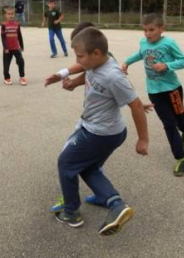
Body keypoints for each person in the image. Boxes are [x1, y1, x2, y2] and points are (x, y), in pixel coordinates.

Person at [48, 27, 149, 235]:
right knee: (88, 167)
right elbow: (87, 73)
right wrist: (70, 80)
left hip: (99, 133)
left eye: (80, 56)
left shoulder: (113, 76)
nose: (78, 61)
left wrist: (143, 140)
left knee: (66, 163)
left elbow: (136, 105)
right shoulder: (98, 62)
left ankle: (71, 212)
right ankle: (112, 201)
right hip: (107, 131)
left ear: (96, 53)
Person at [123, 13, 184, 177]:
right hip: (154, 91)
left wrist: (166, 65)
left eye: (152, 30)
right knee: (168, 123)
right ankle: (181, 158)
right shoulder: (143, 43)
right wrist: (127, 62)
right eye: (145, 30)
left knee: (180, 116)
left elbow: (183, 61)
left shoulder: (169, 43)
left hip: (172, 89)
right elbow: (141, 53)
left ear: (162, 29)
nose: (148, 34)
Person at [1, 7, 26, 86]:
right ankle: (7, 78)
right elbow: (3, 37)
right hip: (7, 49)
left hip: (16, 48)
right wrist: (5, 48)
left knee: (21, 61)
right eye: (9, 14)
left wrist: (21, 45)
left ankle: (22, 77)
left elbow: (19, 36)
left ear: (14, 14)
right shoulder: (4, 25)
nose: (10, 16)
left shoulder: (17, 24)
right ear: (6, 15)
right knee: (6, 65)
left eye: (12, 14)